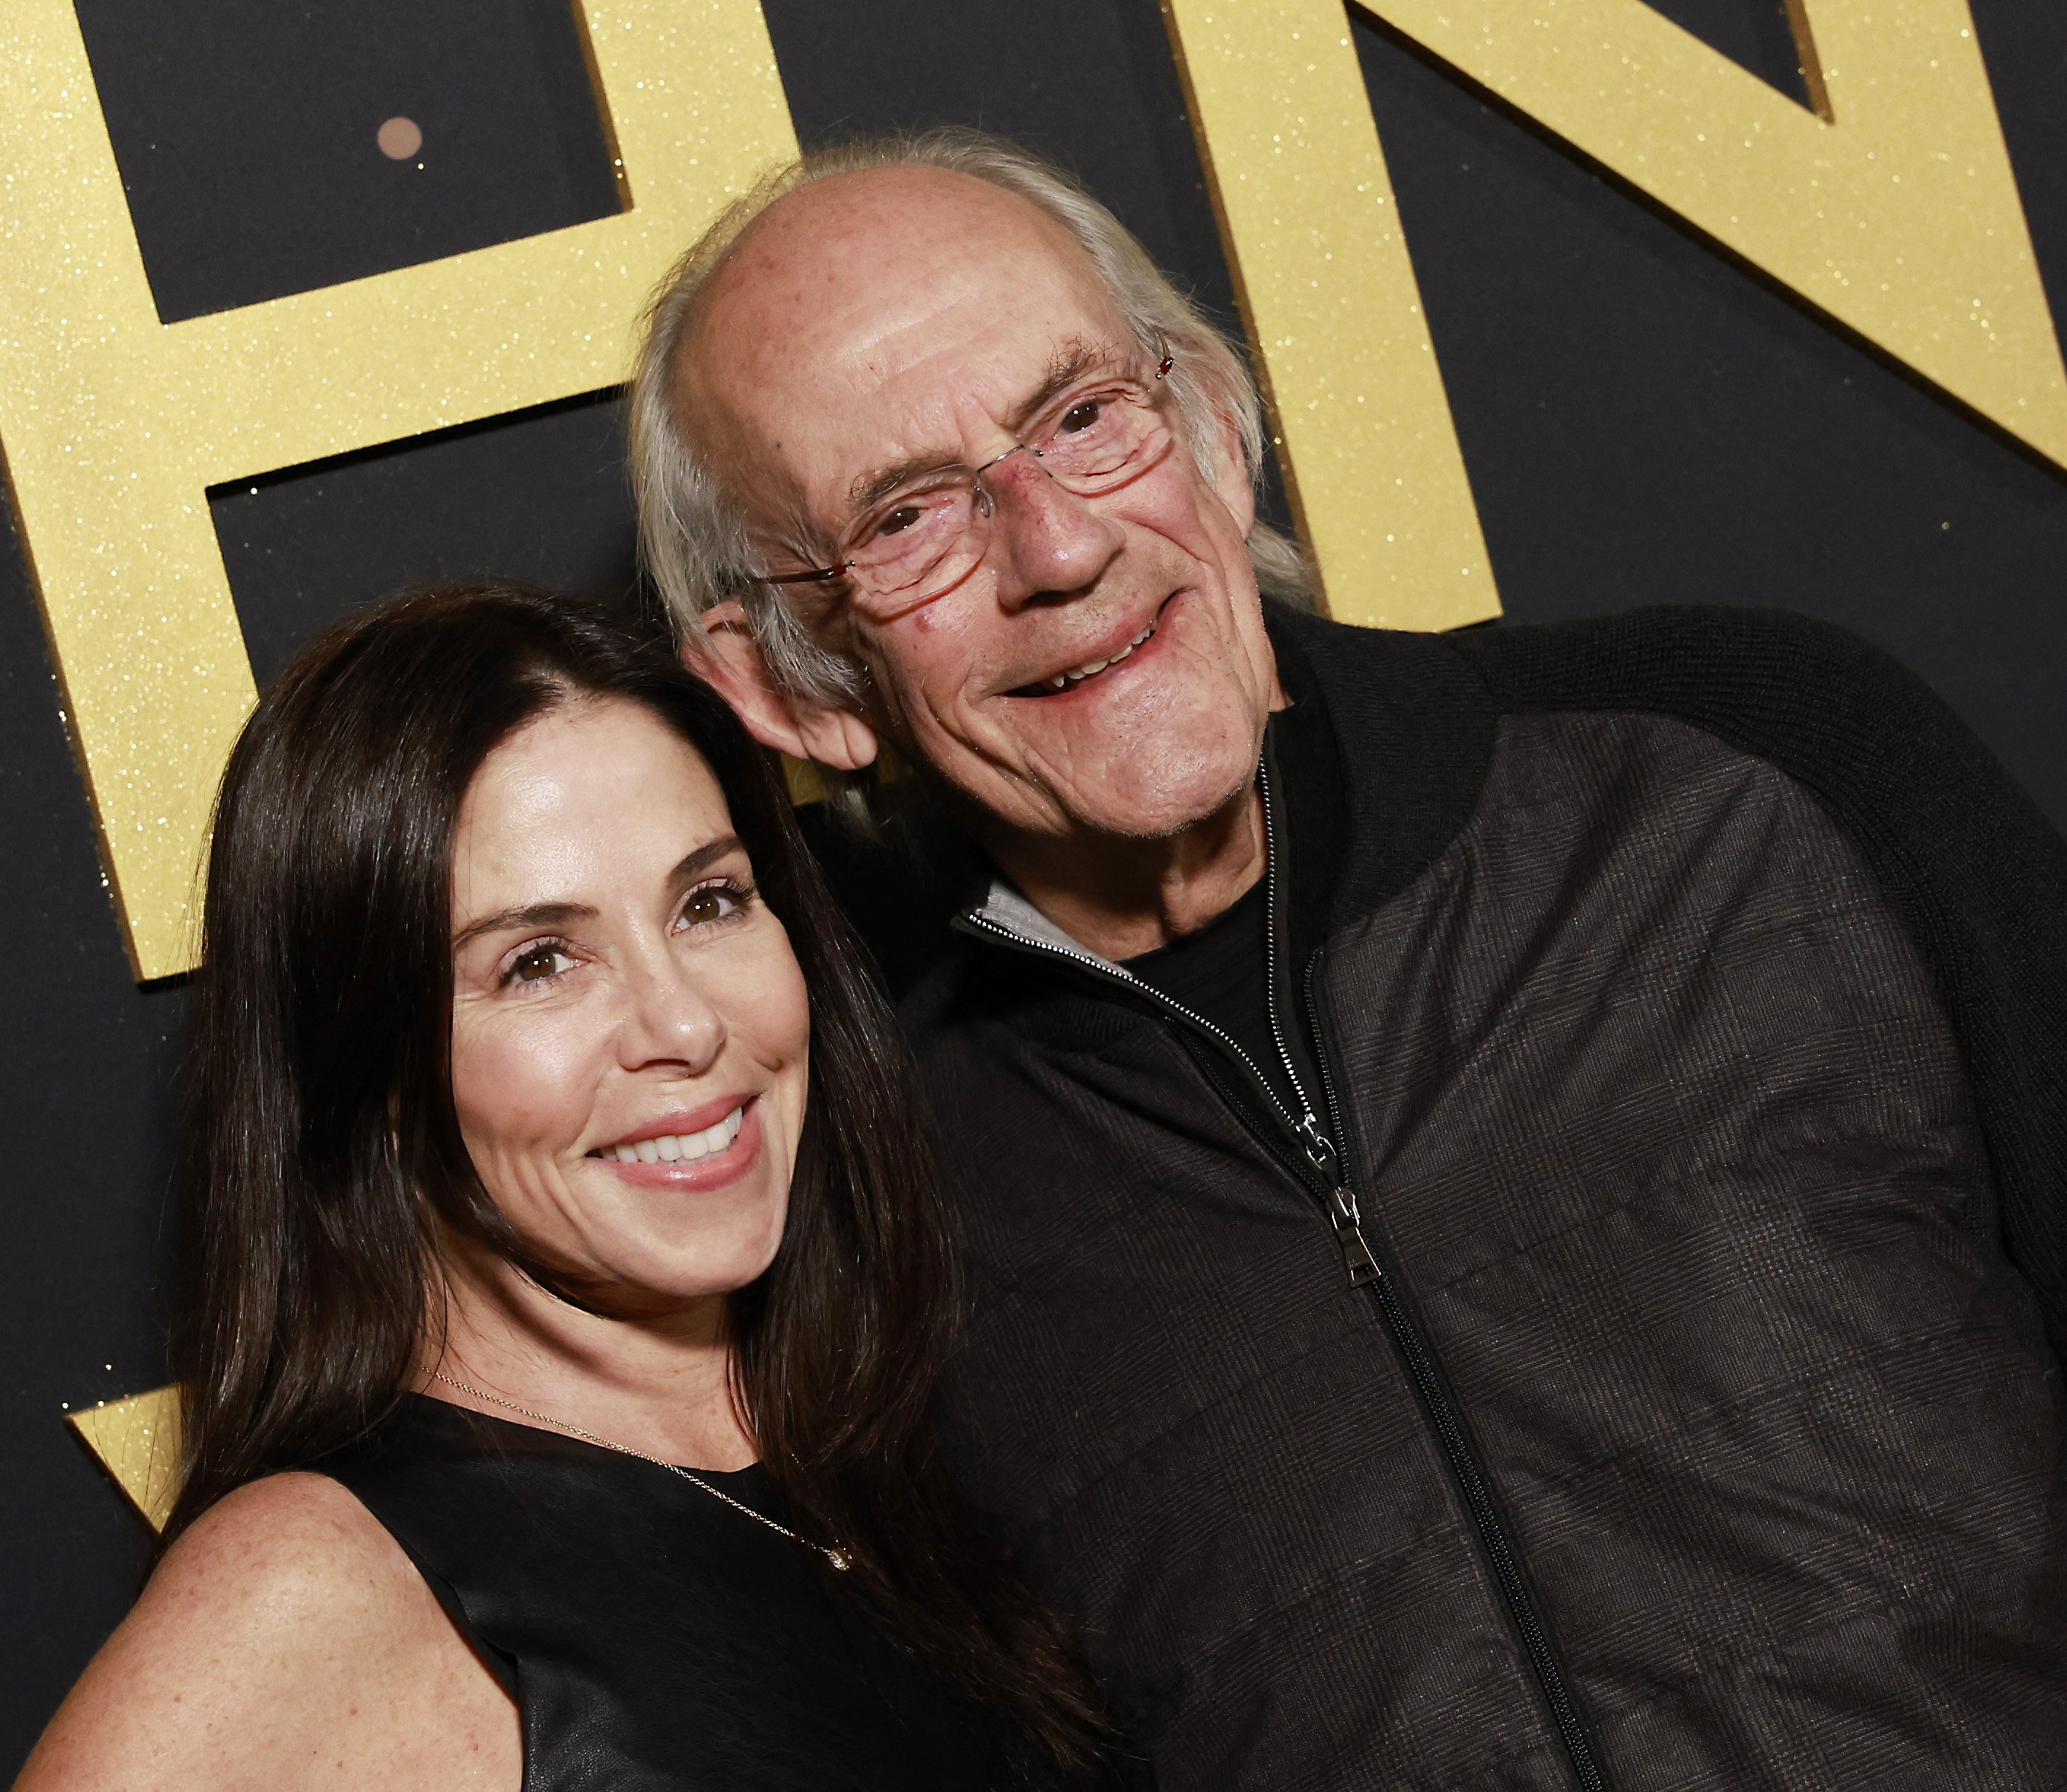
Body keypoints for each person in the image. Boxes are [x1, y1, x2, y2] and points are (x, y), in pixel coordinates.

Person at [628, 128, 2067, 1788]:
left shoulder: (1751, 758)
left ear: (1217, 429)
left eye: (1081, 417)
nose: (1057, 549)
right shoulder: (835, 1160)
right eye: (905, 517)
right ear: (788, 684)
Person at [14, 584, 1121, 1789]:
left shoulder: (897, 1436)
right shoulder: (317, 1588)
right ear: (371, 1069)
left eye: (709, 902)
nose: (685, 1022)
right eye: (540, 963)